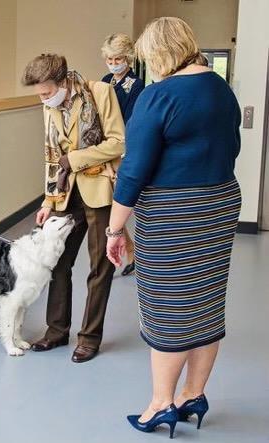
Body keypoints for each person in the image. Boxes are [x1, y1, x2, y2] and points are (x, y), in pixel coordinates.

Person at [105, 18, 241, 437]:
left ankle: (161, 403)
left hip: (173, 212)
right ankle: (193, 394)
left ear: (159, 52)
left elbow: (134, 170)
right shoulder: (221, 88)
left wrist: (114, 230)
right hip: (219, 202)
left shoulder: (157, 95)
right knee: (205, 301)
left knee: (167, 310)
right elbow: (231, 146)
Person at [21, 54, 125, 363]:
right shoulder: (48, 105)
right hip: (65, 194)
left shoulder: (100, 92)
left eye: (46, 91)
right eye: (39, 93)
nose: (43, 98)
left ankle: (89, 337)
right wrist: (47, 200)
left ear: (64, 81)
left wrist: (75, 160)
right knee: (58, 263)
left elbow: (118, 143)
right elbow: (52, 155)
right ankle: (56, 331)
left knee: (98, 267)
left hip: (99, 190)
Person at [101, 33, 145, 276]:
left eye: (118, 58)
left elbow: (131, 121)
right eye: (109, 58)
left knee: (128, 201)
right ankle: (130, 248)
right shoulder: (106, 80)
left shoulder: (136, 85)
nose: (113, 62)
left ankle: (139, 249)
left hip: (125, 148)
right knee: (112, 202)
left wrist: (121, 152)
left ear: (127, 58)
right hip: (105, 147)